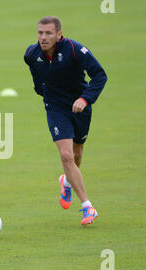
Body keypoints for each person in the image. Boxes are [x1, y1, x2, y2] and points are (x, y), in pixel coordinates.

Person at [24, 16, 107, 227]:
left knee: (77, 154)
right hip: (55, 108)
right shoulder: (31, 55)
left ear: (59, 34)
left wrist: (85, 99)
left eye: (48, 33)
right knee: (66, 155)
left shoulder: (74, 50)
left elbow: (99, 75)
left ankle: (66, 181)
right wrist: (50, 99)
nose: (43, 38)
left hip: (80, 106)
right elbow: (38, 84)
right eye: (40, 33)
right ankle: (87, 206)